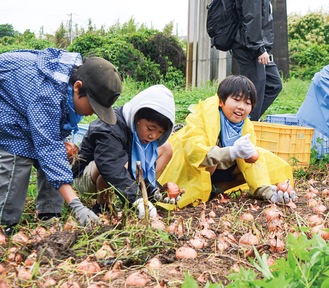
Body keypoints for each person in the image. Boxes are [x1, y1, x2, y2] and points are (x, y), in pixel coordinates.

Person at [0, 48, 122, 234]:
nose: (92, 113)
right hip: (7, 105)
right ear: (77, 87)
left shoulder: (66, 82)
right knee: (19, 155)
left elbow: (53, 140)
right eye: (93, 107)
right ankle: (4, 223)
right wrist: (76, 205)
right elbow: (47, 147)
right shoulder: (46, 94)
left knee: (61, 152)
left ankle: (49, 214)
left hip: (26, 105)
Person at [158, 75, 294, 209]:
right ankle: (204, 189)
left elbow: (251, 164)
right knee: (210, 162)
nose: (241, 107)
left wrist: (266, 191)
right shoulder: (203, 117)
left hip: (221, 173)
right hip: (191, 170)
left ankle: (216, 189)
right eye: (236, 100)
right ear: (221, 101)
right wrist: (231, 152)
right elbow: (195, 154)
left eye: (247, 103)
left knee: (261, 157)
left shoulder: (244, 125)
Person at [72, 84, 176, 218]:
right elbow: (111, 166)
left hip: (120, 169)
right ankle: (103, 205)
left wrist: (156, 191)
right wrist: (137, 199)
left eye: (160, 132)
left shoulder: (143, 137)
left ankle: (144, 194)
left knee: (166, 148)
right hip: (86, 176)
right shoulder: (110, 127)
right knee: (118, 162)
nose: (153, 136)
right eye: (150, 128)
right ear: (137, 116)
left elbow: (140, 166)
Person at [231, 0, 282, 121]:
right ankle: (247, 124)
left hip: (256, 46)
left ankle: (247, 120)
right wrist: (259, 48)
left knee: (274, 84)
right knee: (255, 90)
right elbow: (251, 18)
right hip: (249, 47)